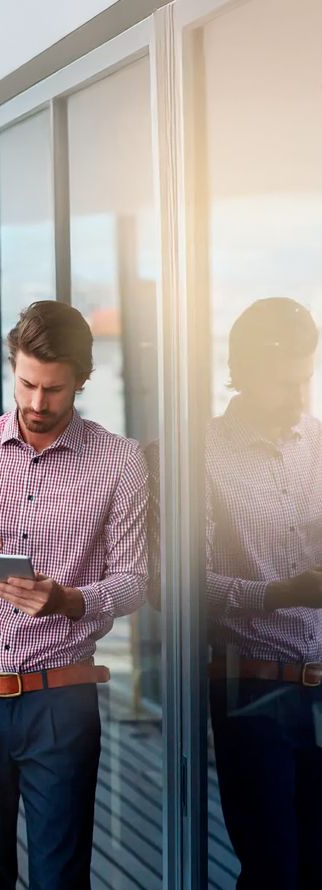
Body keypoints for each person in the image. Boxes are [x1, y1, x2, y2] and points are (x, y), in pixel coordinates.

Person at [0, 300, 148, 890]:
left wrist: (68, 600)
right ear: (12, 370)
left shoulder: (120, 461)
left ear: (82, 382)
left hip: (60, 706)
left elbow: (137, 580)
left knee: (60, 882)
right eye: (27, 384)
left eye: (55, 390)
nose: (38, 404)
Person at [205, 297, 322, 889]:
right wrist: (280, 593)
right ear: (244, 372)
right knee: (274, 870)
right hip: (252, 690)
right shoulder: (201, 454)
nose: (301, 398)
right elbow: (179, 587)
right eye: (286, 384)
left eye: (308, 380)